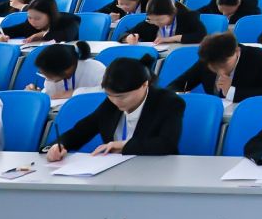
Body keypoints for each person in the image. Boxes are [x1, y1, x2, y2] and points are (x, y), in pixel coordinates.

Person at [43, 57, 182, 159]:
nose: (115, 101)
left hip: (155, 170)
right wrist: (58, 146)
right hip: (118, 172)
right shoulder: (111, 103)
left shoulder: (168, 102)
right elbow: (81, 131)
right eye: (109, 95)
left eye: (121, 96)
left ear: (144, 85)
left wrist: (123, 145)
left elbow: (166, 144)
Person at [164, 32, 262, 112]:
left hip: (248, 114)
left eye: (224, 65)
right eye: (214, 68)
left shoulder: (258, 58)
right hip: (214, 114)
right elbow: (175, 86)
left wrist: (232, 92)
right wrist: (181, 95)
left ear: (236, 51)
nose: (220, 71)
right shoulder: (207, 59)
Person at [25, 40, 105, 100]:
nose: (44, 76)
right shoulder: (56, 74)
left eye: (45, 73)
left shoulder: (95, 68)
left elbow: (106, 90)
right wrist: (38, 95)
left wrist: (74, 93)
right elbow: (52, 95)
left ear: (66, 71)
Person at [121, 0, 206, 47]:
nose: (156, 23)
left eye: (160, 19)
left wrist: (171, 39)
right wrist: (128, 38)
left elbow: (201, 35)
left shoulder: (187, 17)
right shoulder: (150, 22)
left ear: (172, 13)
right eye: (152, 19)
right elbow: (124, 34)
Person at [0, 0, 78, 44]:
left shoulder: (69, 20)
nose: (32, 22)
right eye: (29, 17)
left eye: (37, 18)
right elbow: (0, 31)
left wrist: (41, 34)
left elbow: (66, 36)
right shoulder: (29, 24)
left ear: (50, 15)